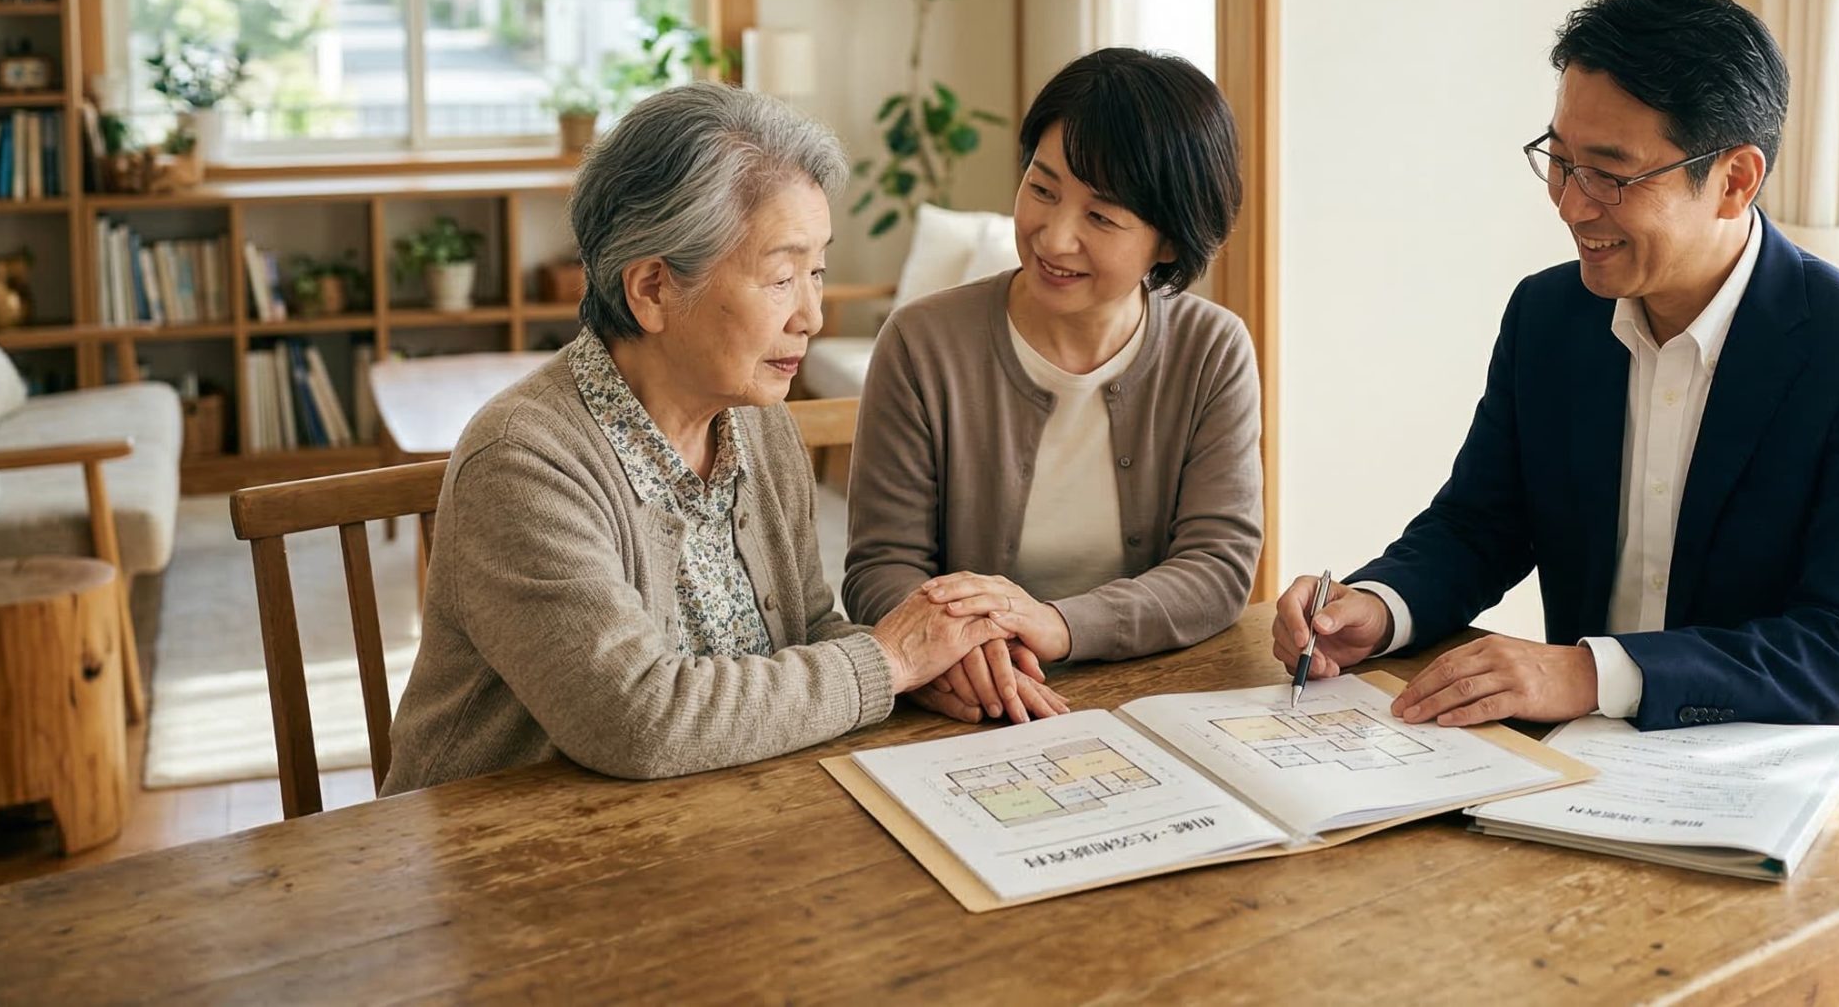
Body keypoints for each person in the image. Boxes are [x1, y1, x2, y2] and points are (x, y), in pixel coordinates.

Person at [1270, 0, 1839, 750]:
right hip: (1602, 761)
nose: (1571, 204)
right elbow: (1480, 524)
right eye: (1560, 161)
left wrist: (1591, 674)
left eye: (1611, 174)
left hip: (1833, 769)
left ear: (1734, 181)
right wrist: (1379, 606)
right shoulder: (1549, 316)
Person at [382, 83, 1014, 794]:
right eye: (781, 277)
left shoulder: (757, 421)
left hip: (707, 810)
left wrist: (929, 670)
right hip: (504, 841)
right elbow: (637, 719)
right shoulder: (522, 463)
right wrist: (886, 663)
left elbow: (805, 629)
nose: (811, 315)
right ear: (652, 289)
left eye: (817, 272)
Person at [845, 48, 1262, 723]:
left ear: (1169, 241)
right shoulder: (922, 343)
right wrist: (966, 651)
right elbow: (881, 567)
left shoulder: (1211, 350)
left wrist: (1055, 624)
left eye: (1102, 217)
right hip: (973, 705)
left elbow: (1217, 568)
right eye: (1042, 190)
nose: (1055, 237)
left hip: (1154, 697)